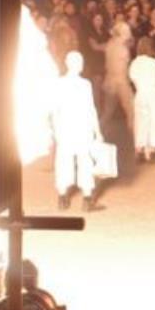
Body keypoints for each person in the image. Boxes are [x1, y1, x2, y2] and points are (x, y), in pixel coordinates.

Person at [51, 50, 104, 212]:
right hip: (82, 127)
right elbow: (91, 110)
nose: (81, 64)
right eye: (79, 61)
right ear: (73, 64)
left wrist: (55, 129)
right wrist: (98, 131)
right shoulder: (85, 84)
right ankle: (87, 199)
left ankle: (62, 197)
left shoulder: (59, 83)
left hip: (65, 127)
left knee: (63, 161)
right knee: (84, 161)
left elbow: (54, 110)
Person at [129, 32, 155, 163]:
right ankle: (152, 150)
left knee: (141, 122)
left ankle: (139, 148)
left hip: (140, 94)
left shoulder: (134, 63)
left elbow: (132, 78)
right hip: (154, 94)